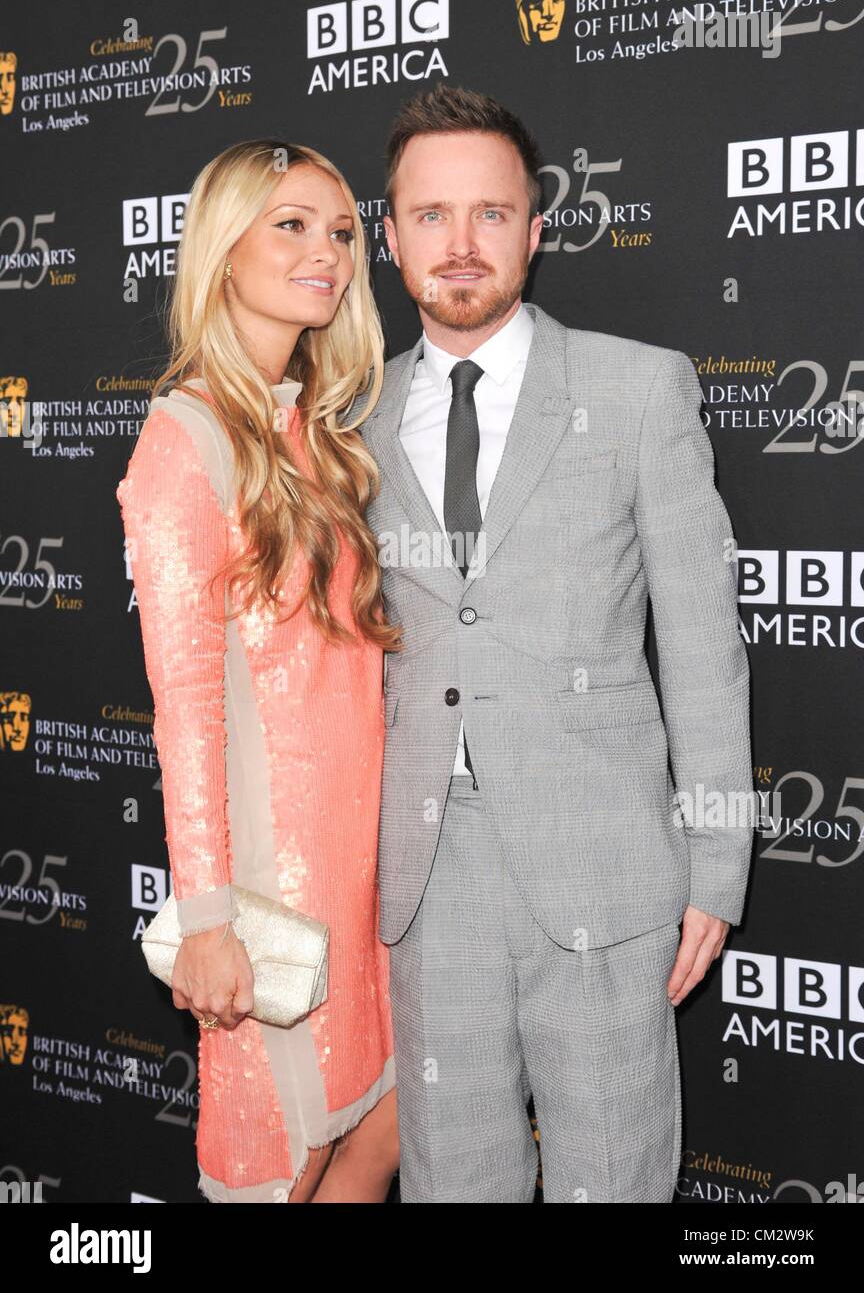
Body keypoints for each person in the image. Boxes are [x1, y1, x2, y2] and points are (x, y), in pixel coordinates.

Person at [344, 83, 755, 1203]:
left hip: (606, 869)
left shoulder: (635, 388)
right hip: (431, 886)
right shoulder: (351, 422)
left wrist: (716, 861)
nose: (461, 244)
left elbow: (704, 639)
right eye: (430, 215)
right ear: (390, 237)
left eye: (491, 212)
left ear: (537, 226)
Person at [116, 139, 401, 1203]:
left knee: (375, 1135)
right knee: (281, 1168)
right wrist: (207, 921)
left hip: (365, 875)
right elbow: (185, 707)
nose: (325, 249)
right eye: (290, 223)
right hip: (271, 887)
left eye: (338, 230)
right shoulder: (184, 440)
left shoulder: (318, 434)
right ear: (222, 250)